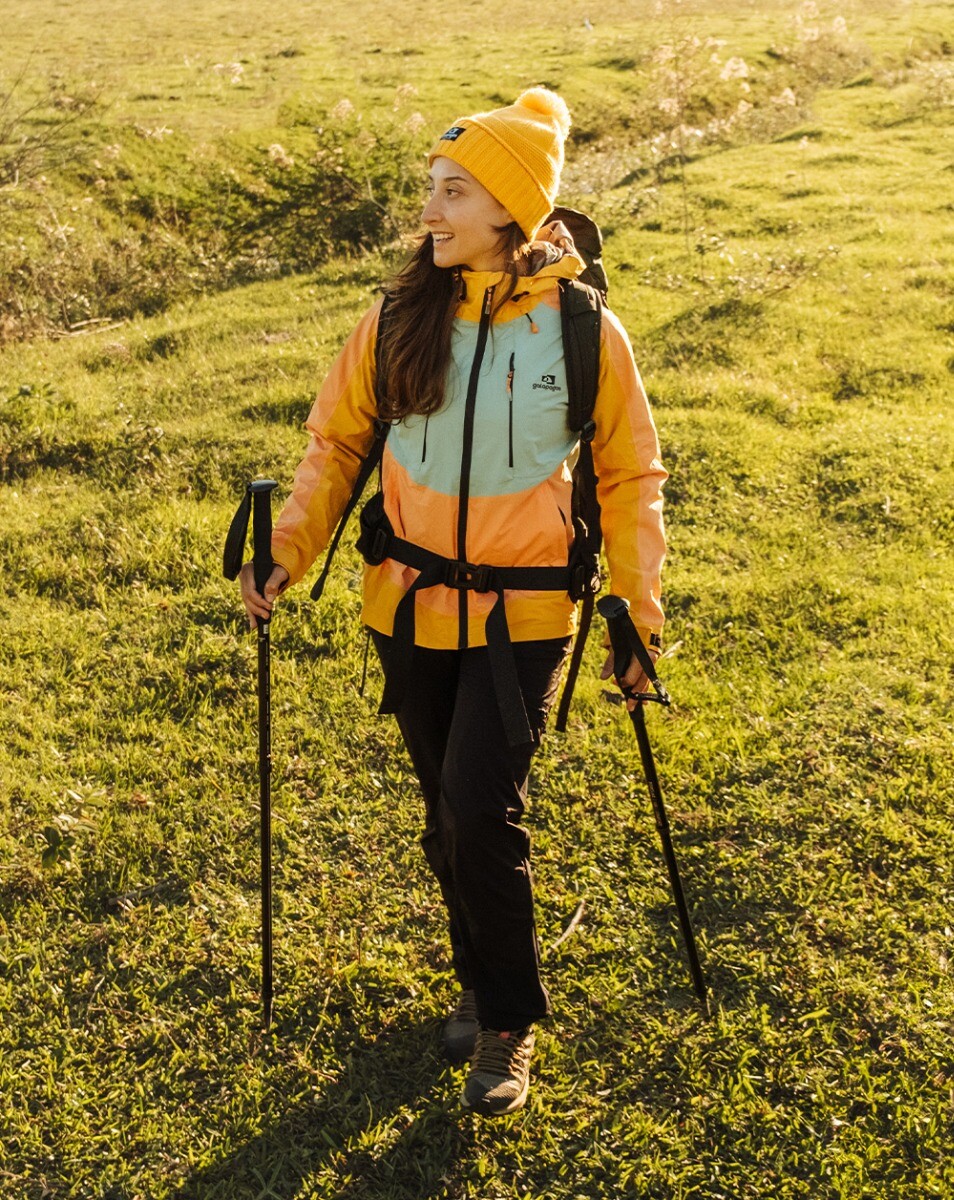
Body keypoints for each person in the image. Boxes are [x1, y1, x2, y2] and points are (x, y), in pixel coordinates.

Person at [239, 87, 667, 1117]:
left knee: (480, 806)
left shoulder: (583, 330)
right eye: (431, 189)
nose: (429, 211)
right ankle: (476, 973)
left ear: (511, 209)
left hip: (528, 614)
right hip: (407, 602)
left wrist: (638, 614)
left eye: (453, 192)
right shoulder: (397, 315)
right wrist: (287, 549)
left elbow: (629, 478)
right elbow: (336, 445)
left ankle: (509, 1020)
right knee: (446, 810)